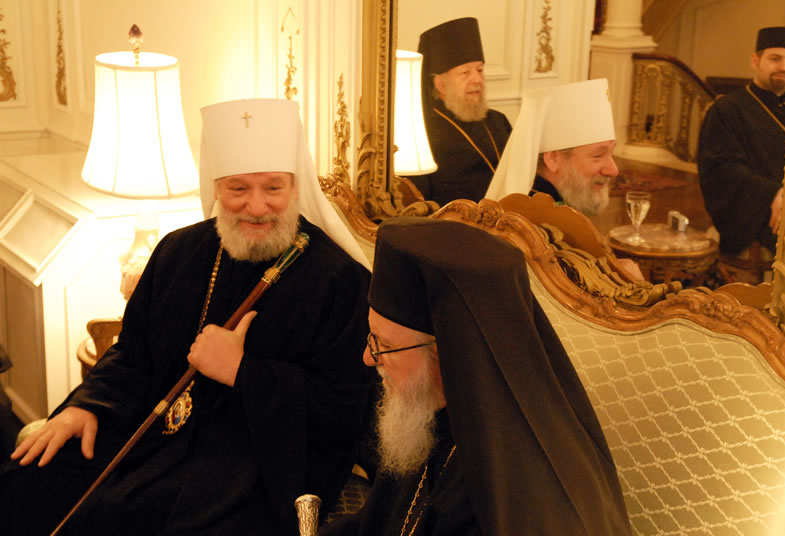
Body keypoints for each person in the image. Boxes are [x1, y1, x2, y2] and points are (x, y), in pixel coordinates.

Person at [0, 98, 375, 535]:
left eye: (273, 188)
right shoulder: (178, 252)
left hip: (252, 464)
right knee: (28, 483)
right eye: (239, 189)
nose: (257, 207)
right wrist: (87, 405)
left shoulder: (339, 281)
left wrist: (244, 372)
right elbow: (132, 354)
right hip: (149, 432)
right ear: (215, 187)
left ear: (295, 188)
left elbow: (344, 408)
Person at [321, 217, 632, 535]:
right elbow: (380, 524)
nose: (368, 357)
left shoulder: (514, 491)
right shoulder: (425, 415)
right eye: (372, 337)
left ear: (447, 352)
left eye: (385, 345)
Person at [697, 26, 785, 258]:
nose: (783, 67)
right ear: (755, 61)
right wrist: (772, 193)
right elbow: (722, 170)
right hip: (758, 215)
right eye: (775, 59)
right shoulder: (727, 109)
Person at [409, 17, 513, 207]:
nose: (477, 79)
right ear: (441, 84)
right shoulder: (421, 133)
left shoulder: (498, 121)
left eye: (480, 70)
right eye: (465, 73)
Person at [487, 78, 618, 218]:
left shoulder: (565, 203)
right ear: (553, 159)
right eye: (598, 156)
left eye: (611, 153)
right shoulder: (536, 221)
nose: (613, 170)